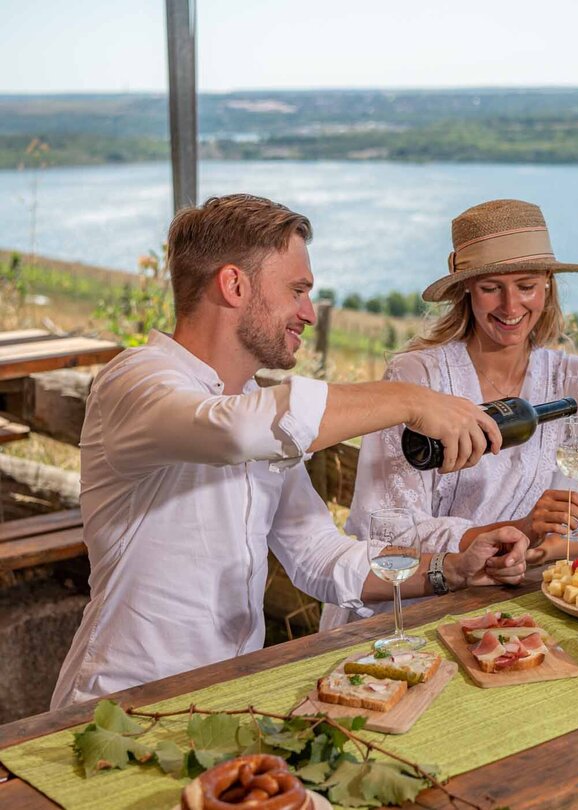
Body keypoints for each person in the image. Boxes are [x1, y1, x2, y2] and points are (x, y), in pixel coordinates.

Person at [51, 194, 529, 708]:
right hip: (120, 703)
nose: (308, 313)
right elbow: (234, 433)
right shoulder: (137, 380)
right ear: (234, 284)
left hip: (228, 699)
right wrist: (410, 399)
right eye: (297, 290)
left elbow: (319, 556)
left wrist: (450, 569)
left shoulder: (259, 410)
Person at [321, 198, 578, 629]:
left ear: (548, 285)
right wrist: (520, 529)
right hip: (426, 608)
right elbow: (390, 530)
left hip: (539, 606)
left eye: (526, 285)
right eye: (492, 287)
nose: (511, 308)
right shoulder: (415, 378)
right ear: (466, 290)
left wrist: (563, 535)